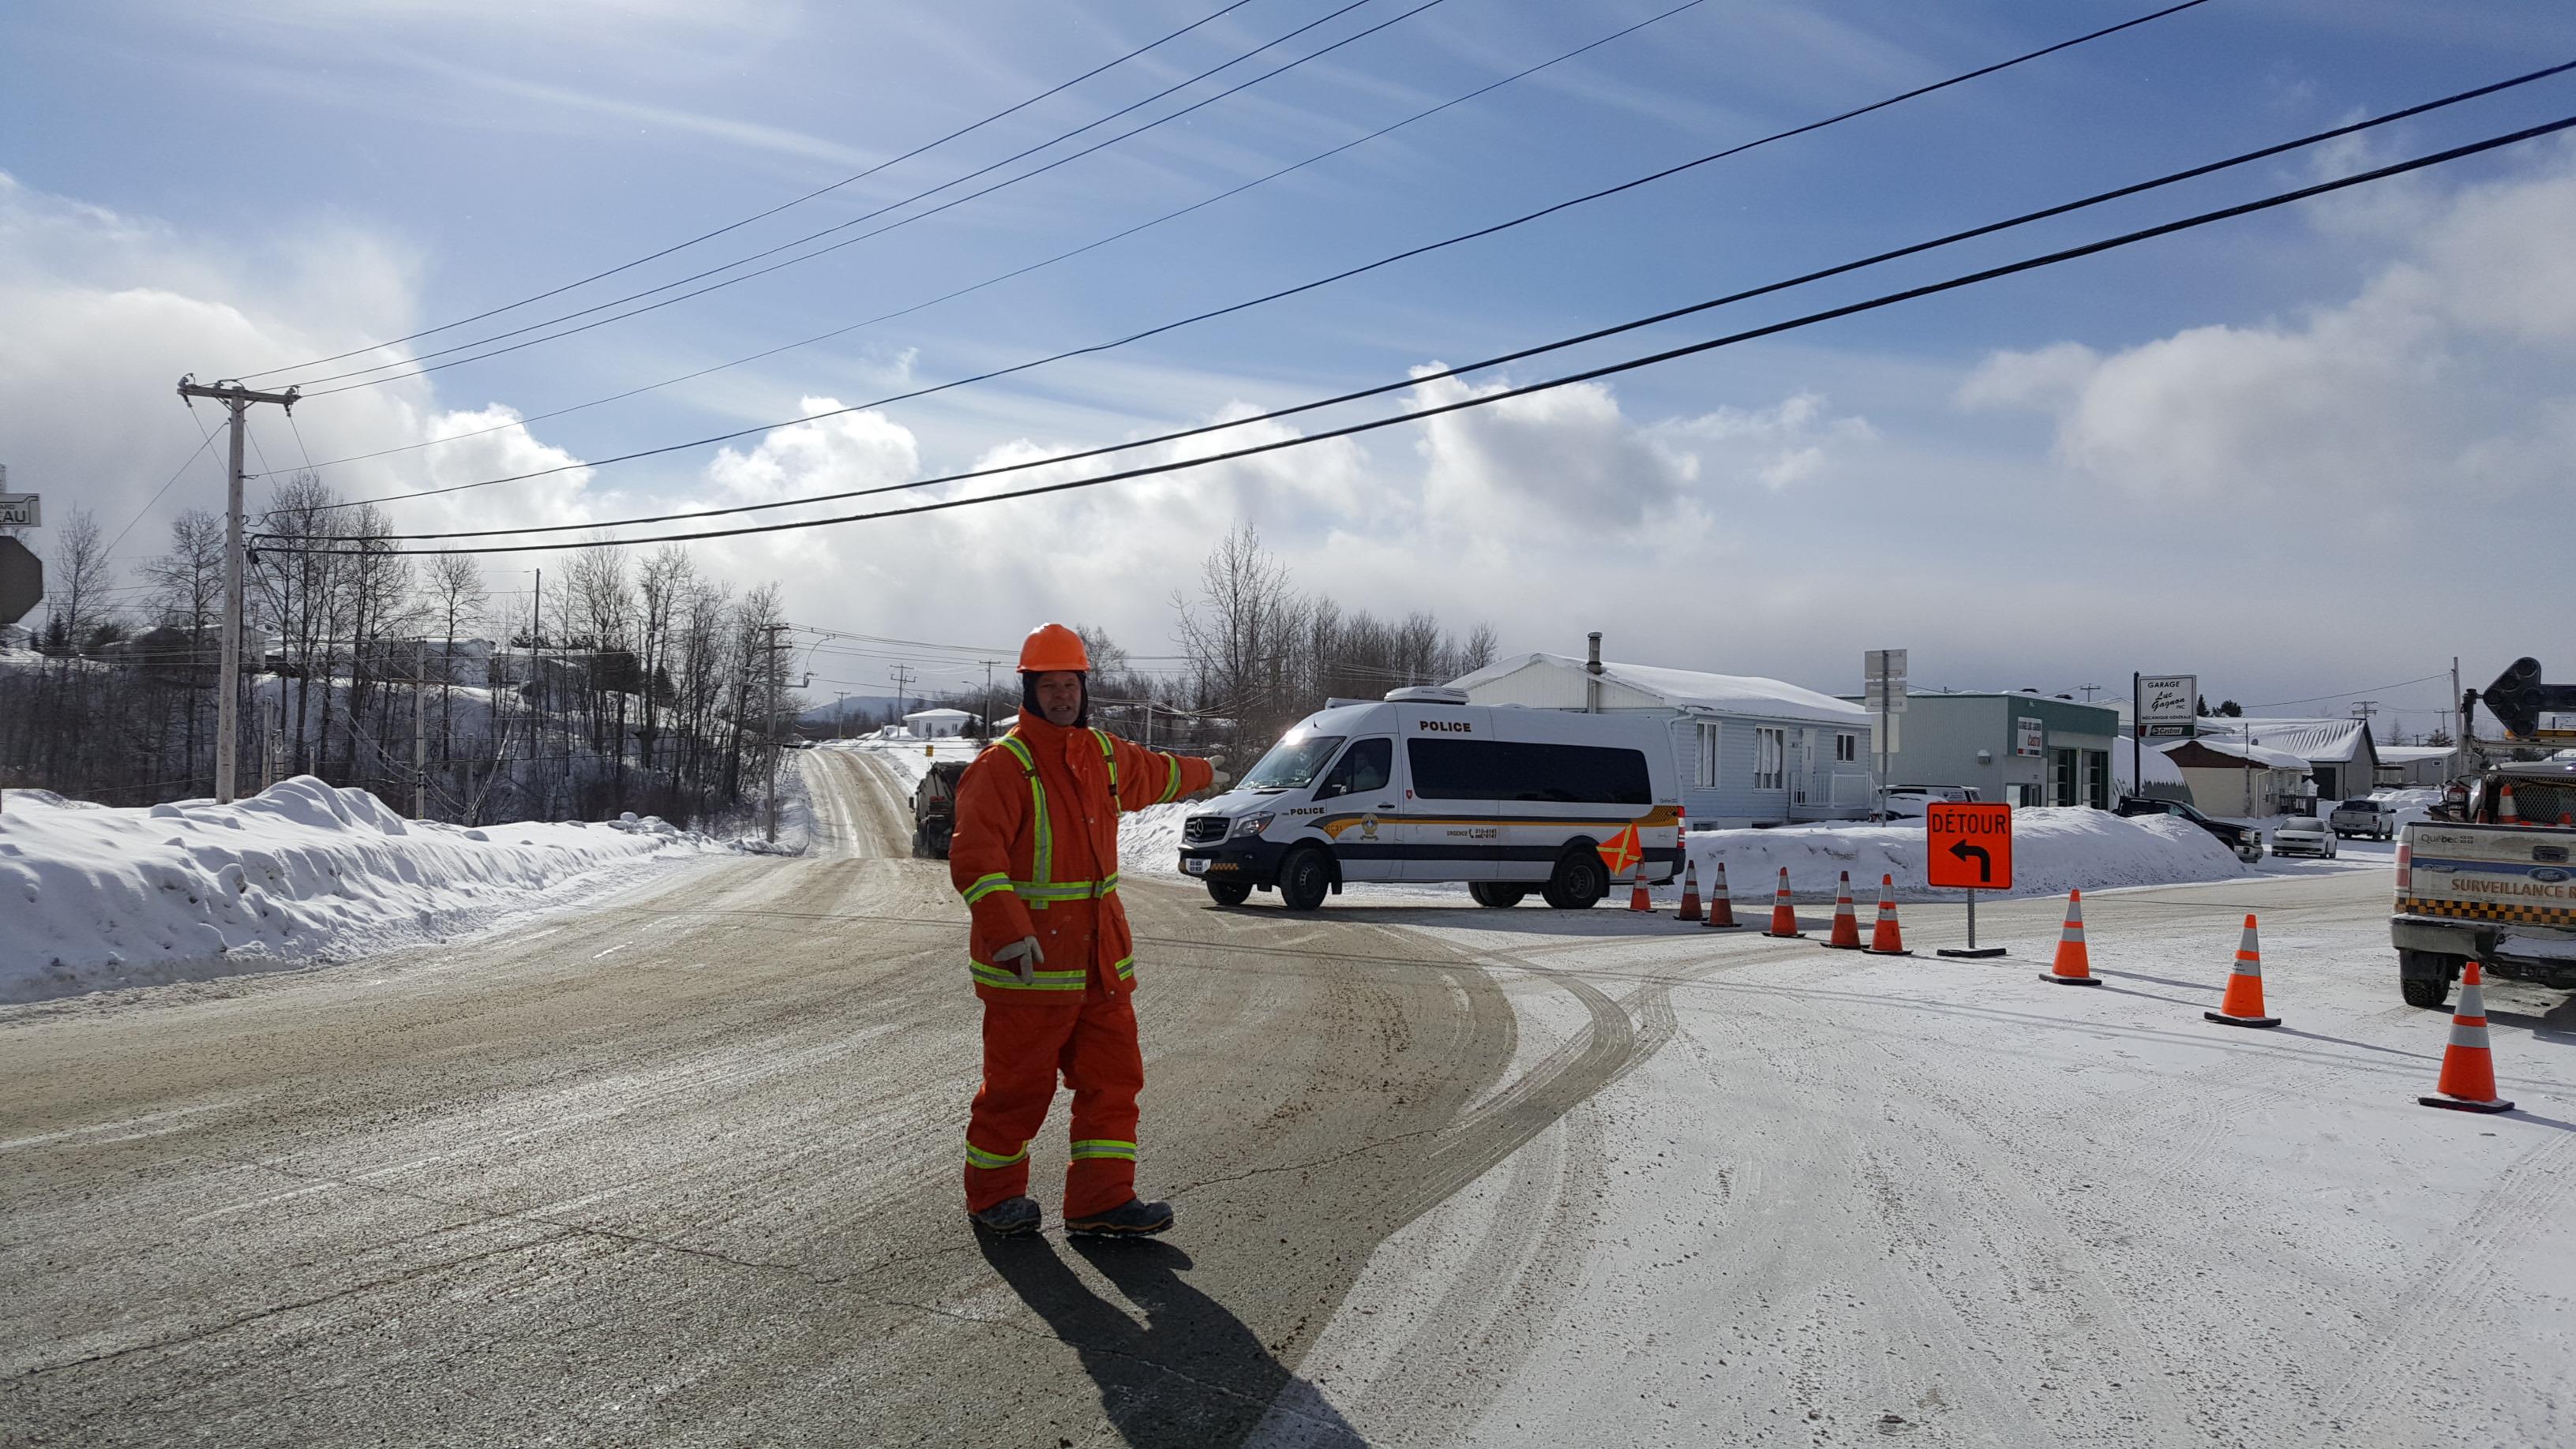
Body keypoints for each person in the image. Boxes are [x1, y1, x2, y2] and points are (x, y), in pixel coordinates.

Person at [949, 623, 1226, 1237]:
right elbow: (976, 857)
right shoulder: (1004, 766)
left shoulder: (1100, 754)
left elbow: (1156, 773)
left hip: (1100, 966)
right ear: (1028, 690)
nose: (1061, 696)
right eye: (1048, 686)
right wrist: (1008, 932)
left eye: (1069, 684)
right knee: (1017, 1090)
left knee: (1113, 1083)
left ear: (1083, 687)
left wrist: (1208, 772)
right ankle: (993, 1198)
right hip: (1031, 969)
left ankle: (1101, 1202)